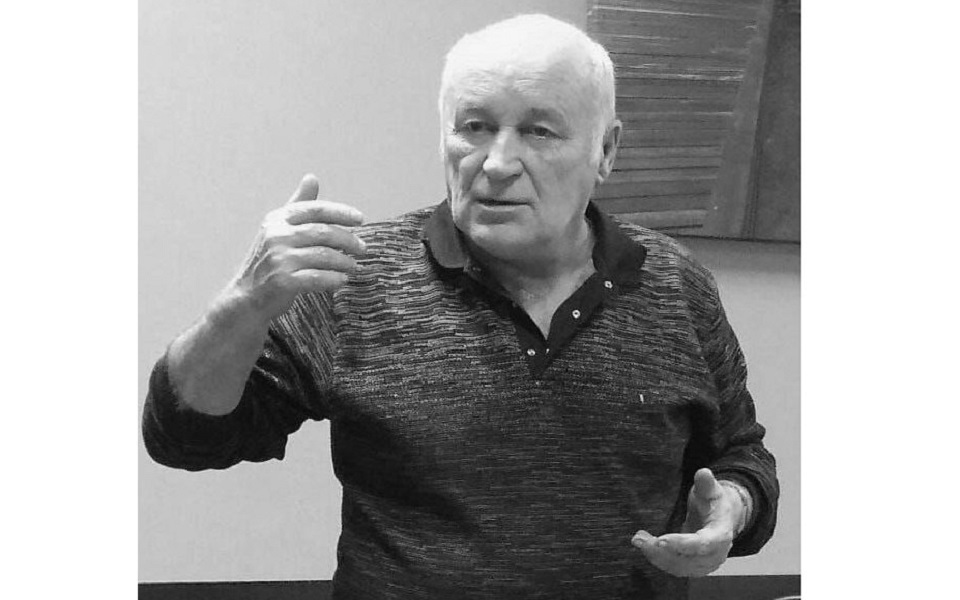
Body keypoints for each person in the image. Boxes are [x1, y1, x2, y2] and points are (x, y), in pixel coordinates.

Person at [142, 13, 778, 600]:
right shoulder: (356, 277)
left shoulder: (674, 282)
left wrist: (732, 507)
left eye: (538, 131)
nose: (497, 163)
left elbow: (741, 455)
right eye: (474, 127)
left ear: (605, 151)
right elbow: (185, 436)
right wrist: (243, 304)